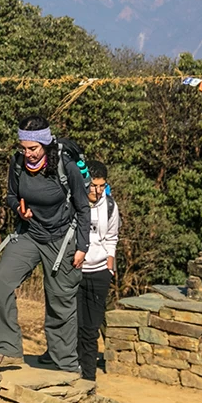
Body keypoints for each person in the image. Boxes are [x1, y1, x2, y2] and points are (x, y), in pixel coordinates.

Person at [0, 116, 91, 371]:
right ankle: (8, 349)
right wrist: (19, 210)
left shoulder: (66, 167)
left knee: (60, 303)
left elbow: (82, 207)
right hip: (29, 234)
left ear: (44, 144)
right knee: (1, 284)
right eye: (24, 148)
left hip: (61, 239)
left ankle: (66, 366)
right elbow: (11, 196)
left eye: (33, 148)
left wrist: (82, 247)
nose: (28, 154)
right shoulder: (17, 164)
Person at [77, 160, 119, 384]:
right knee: (75, 324)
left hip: (100, 271)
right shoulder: (74, 201)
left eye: (102, 186)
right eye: (93, 185)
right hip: (76, 271)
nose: (97, 191)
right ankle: (70, 372)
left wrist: (109, 267)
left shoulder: (110, 205)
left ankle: (88, 378)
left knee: (92, 328)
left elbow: (112, 237)